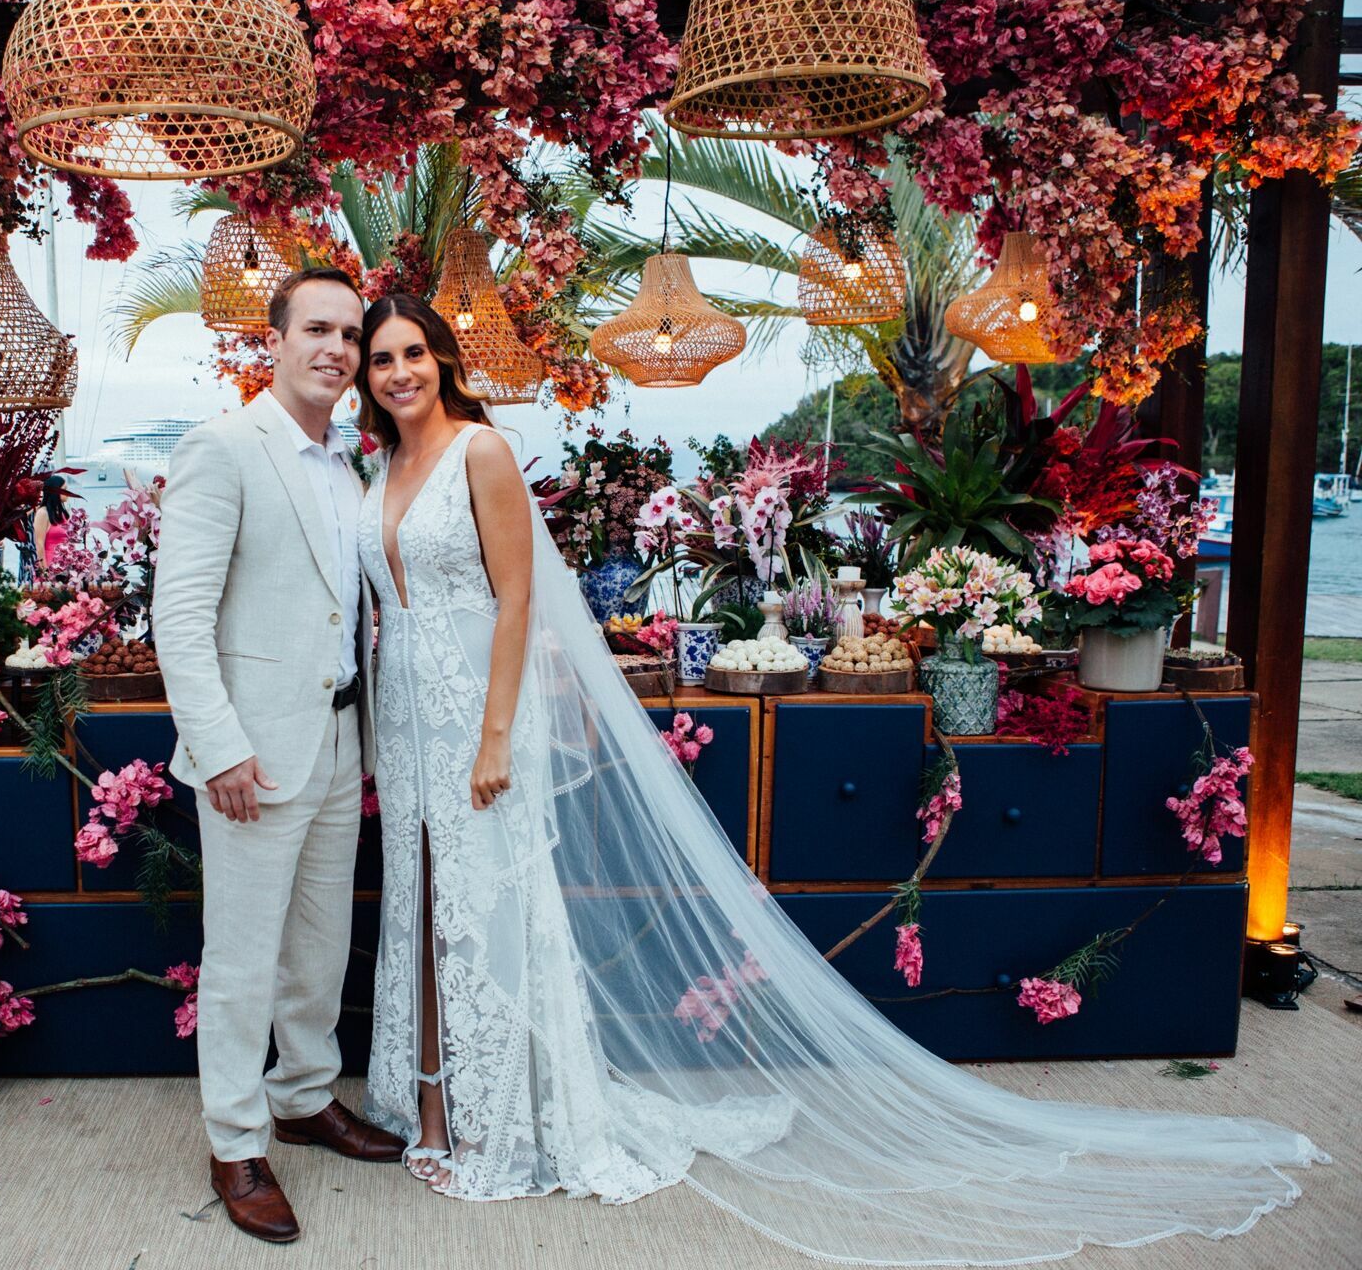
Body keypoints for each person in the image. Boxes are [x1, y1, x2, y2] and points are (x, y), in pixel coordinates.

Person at [352, 292, 1322, 1262]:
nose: (398, 371)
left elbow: (518, 599)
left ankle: (485, 1118)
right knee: (426, 905)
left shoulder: (479, 451)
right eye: (381, 358)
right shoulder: (385, 461)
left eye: (413, 353)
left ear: (442, 359)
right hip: (405, 716)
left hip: (476, 714)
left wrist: (491, 735)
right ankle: (428, 1095)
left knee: (484, 906)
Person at [151, 267, 405, 1245]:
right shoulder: (223, 448)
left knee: (318, 944)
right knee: (243, 958)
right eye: (318, 329)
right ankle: (235, 1137)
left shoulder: (344, 464)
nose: (337, 349)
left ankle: (304, 1093)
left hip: (340, 735)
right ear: (274, 340)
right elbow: (181, 617)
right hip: (251, 751)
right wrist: (218, 747)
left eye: (350, 334)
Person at [30, 473, 70, 573]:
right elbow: (39, 543)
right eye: (64, 489)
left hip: (65, 566)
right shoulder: (43, 513)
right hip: (50, 564)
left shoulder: (62, 514)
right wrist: (44, 569)